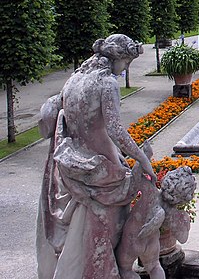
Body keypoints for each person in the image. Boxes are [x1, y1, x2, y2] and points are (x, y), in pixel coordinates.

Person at [37, 34, 154, 279]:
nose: (126, 69)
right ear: (118, 57)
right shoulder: (106, 82)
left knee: (77, 232)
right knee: (106, 233)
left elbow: (56, 114)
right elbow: (114, 129)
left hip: (71, 165)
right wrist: (142, 159)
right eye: (127, 62)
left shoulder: (73, 80)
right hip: (101, 170)